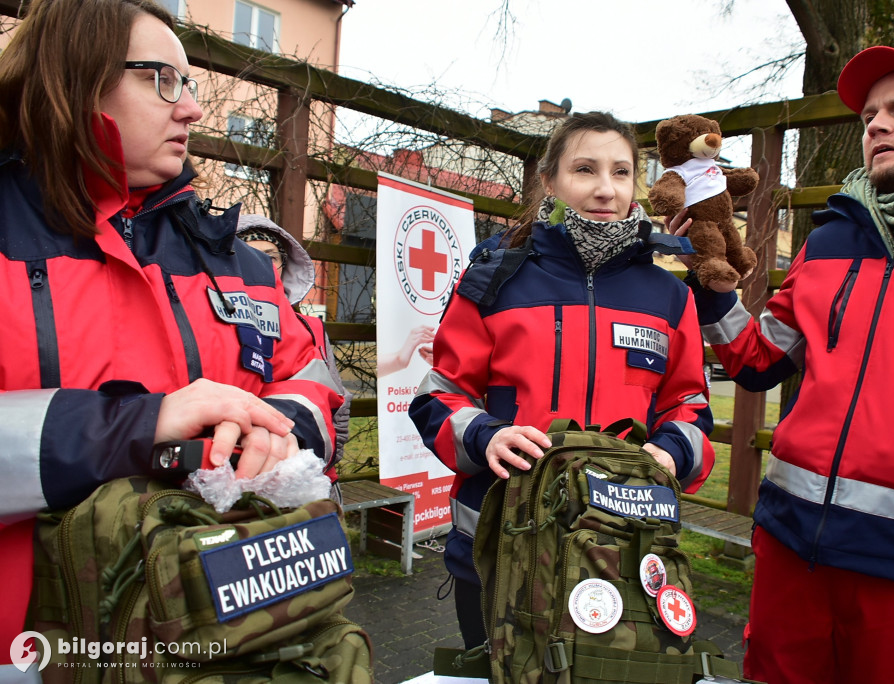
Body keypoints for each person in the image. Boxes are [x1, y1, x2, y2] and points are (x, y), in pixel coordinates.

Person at [0, 0, 342, 675]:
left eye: (189, 82)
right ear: (73, 78)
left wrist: (279, 429)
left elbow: (312, 376)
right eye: (161, 79)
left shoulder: (237, 259)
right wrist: (140, 425)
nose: (192, 108)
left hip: (223, 647)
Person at [672, 46, 894, 683]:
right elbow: (756, 361)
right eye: (868, 116)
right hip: (788, 546)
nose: (878, 124)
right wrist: (710, 282)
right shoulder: (830, 238)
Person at [410, 111, 715, 650]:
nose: (605, 189)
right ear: (549, 180)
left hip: (623, 543)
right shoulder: (494, 281)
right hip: (500, 540)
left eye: (621, 172)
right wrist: (485, 436)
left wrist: (673, 450)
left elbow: (689, 403)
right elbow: (439, 395)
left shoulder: (670, 296)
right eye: (585, 169)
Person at [236, 213, 354, 468]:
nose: (261, 265)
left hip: (310, 467)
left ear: (284, 264)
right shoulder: (214, 325)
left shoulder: (311, 328)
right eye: (247, 255)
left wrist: (326, 462)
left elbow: (338, 401)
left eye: (270, 257)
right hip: (238, 464)